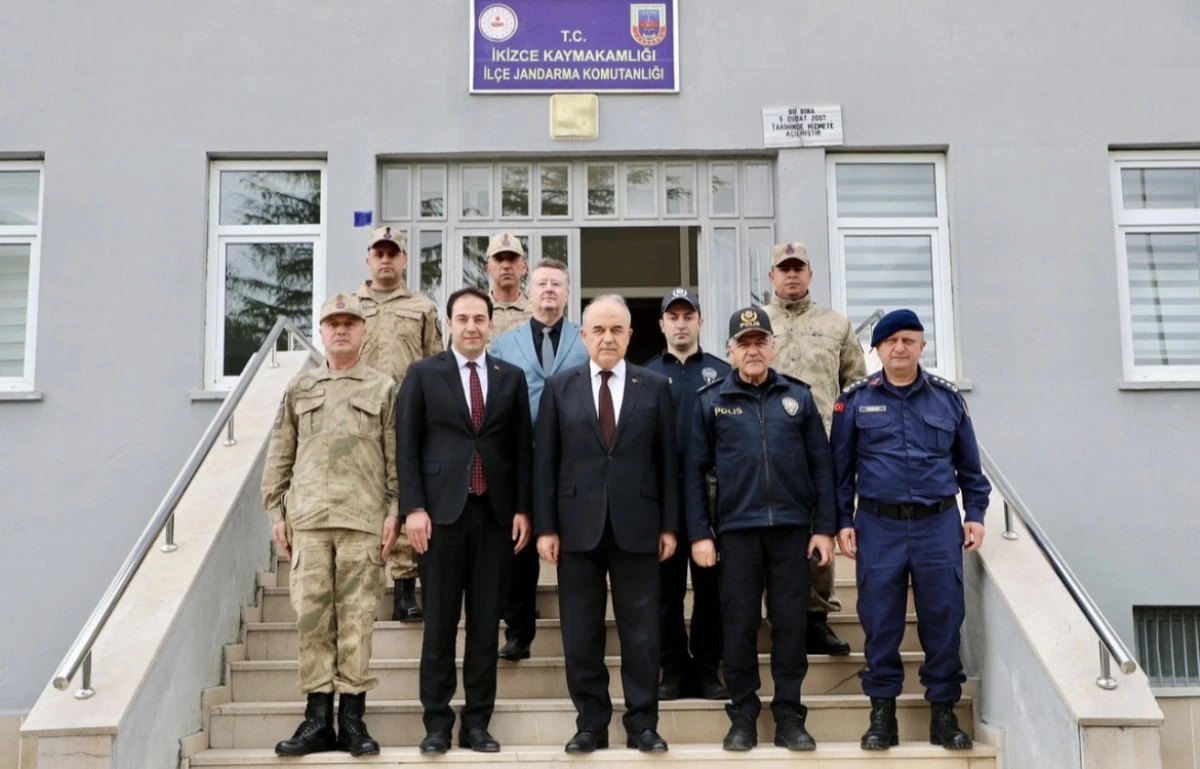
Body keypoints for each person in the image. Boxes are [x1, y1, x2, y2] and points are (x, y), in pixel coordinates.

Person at [830, 309, 991, 752]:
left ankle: (944, 715)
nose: (899, 348)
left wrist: (974, 513)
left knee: (943, 619)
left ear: (922, 346)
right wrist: (843, 519)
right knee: (880, 622)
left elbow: (970, 467)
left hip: (938, 525)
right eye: (890, 341)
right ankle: (882, 715)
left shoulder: (947, 399)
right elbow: (839, 472)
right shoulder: (855, 401)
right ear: (877, 349)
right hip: (878, 526)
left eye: (908, 340)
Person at [684, 307, 836, 752]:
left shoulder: (799, 397)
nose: (753, 350)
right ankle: (744, 714)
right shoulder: (710, 401)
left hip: (791, 531)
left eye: (759, 341)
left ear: (772, 346)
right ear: (729, 351)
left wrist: (824, 528)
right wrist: (700, 534)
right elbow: (693, 473)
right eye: (743, 343)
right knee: (739, 625)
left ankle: (789, 714)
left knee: (790, 625)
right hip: (736, 533)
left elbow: (821, 468)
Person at [533, 294, 677, 754]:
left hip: (639, 526)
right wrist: (546, 527)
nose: (608, 337)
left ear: (631, 335)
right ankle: (590, 724)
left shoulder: (655, 387)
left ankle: (643, 725)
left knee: (642, 632)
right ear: (583, 336)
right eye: (599, 329)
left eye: (617, 329)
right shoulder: (560, 387)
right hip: (576, 529)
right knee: (581, 632)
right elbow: (545, 463)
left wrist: (670, 525)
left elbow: (667, 462)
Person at [396, 287, 534, 755]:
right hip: (439, 517)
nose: (472, 326)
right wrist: (413, 508)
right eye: (463, 318)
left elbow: (521, 449)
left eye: (479, 318)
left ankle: (477, 723)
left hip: (494, 515)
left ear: (490, 324)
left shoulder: (510, 377)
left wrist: (521, 508)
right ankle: (436, 723)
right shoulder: (422, 374)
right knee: (438, 625)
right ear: (449, 324)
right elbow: (407, 447)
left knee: (483, 626)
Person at [261, 293, 399, 757]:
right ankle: (317, 717)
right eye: (332, 323)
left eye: (350, 323)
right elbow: (281, 453)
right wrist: (277, 512)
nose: (341, 330)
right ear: (320, 332)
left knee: (358, 619)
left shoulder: (383, 388)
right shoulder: (301, 389)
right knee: (312, 621)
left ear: (363, 332)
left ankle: (353, 719)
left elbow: (396, 457)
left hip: (362, 521)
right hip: (310, 523)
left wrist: (395, 509)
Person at [761, 241, 867, 657]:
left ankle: (816, 619)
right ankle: (779, 618)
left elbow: (855, 388)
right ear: (771, 275)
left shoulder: (836, 324)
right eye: (783, 269)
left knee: (821, 528)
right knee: (772, 537)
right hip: (767, 446)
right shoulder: (756, 322)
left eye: (798, 268)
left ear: (810, 273)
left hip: (822, 445)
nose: (791, 275)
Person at [489, 258, 589, 661]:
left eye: (557, 285)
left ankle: (578, 632)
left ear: (567, 293)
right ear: (529, 292)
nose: (549, 290)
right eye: (542, 284)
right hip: (521, 458)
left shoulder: (585, 339)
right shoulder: (503, 343)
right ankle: (519, 632)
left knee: (575, 544)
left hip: (574, 457)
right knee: (521, 545)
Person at [641, 287, 730, 701]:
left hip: (711, 500)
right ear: (661, 324)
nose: (680, 323)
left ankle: (708, 668)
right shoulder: (642, 375)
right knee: (664, 593)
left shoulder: (722, 372)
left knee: (711, 591)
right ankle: (672, 670)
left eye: (687, 315)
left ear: (700, 321)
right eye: (672, 316)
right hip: (660, 500)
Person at [353, 225, 444, 623]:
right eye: (379, 252)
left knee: (406, 494)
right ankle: (362, 585)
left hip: (410, 413)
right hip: (361, 415)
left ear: (404, 260)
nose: (386, 259)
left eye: (393, 253)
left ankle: (405, 589)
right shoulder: (349, 307)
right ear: (369, 258)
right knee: (364, 497)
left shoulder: (423, 307)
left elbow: (435, 359)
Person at [485, 232, 532, 338]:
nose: (506, 265)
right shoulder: (476, 311)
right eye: (499, 259)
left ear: (524, 267)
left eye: (512, 258)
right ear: (488, 269)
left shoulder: (537, 312)